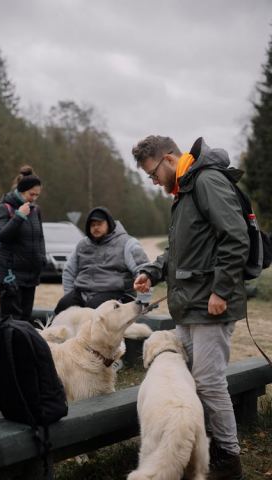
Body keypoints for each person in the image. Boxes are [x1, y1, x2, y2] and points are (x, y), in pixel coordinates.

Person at [132, 136, 248, 480]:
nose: (153, 182)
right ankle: (199, 451)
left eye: (153, 174)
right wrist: (151, 271)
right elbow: (177, 250)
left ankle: (229, 458)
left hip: (211, 304)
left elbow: (236, 235)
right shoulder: (183, 192)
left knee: (208, 382)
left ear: (168, 159)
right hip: (190, 305)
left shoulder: (206, 181)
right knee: (189, 384)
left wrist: (222, 290)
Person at [54, 206, 151, 315]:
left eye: (99, 224)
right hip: (83, 293)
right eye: (92, 225)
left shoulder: (128, 243)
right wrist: (69, 295)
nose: (95, 228)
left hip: (118, 295)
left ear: (109, 224)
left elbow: (144, 270)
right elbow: (68, 271)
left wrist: (144, 302)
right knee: (63, 307)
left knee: (94, 308)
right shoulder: (82, 245)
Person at [0, 166, 46, 323]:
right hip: (9, 275)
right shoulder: (5, 208)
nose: (34, 198)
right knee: (11, 319)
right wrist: (19, 216)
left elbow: (40, 237)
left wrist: (42, 259)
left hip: (30, 275)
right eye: (31, 194)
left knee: (25, 318)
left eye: (37, 195)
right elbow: (1, 235)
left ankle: (21, 348)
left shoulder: (36, 210)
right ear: (21, 191)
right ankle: (5, 348)